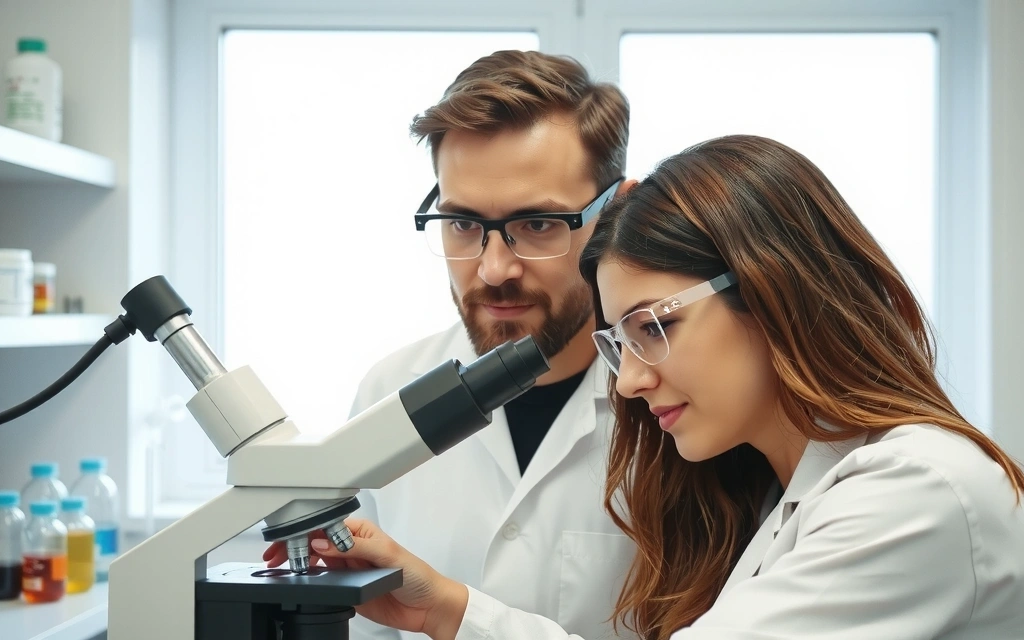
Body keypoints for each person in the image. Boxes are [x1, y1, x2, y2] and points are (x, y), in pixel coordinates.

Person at [299, 134, 1024, 639]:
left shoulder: (915, 491)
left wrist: (453, 614)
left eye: (653, 327)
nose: (633, 381)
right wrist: (443, 608)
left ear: (774, 290)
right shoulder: (782, 494)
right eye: (618, 343)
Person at [266, 50, 639, 640]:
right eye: (463, 223)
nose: (493, 269)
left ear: (618, 211)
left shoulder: (673, 407)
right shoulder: (387, 392)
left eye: (537, 225)